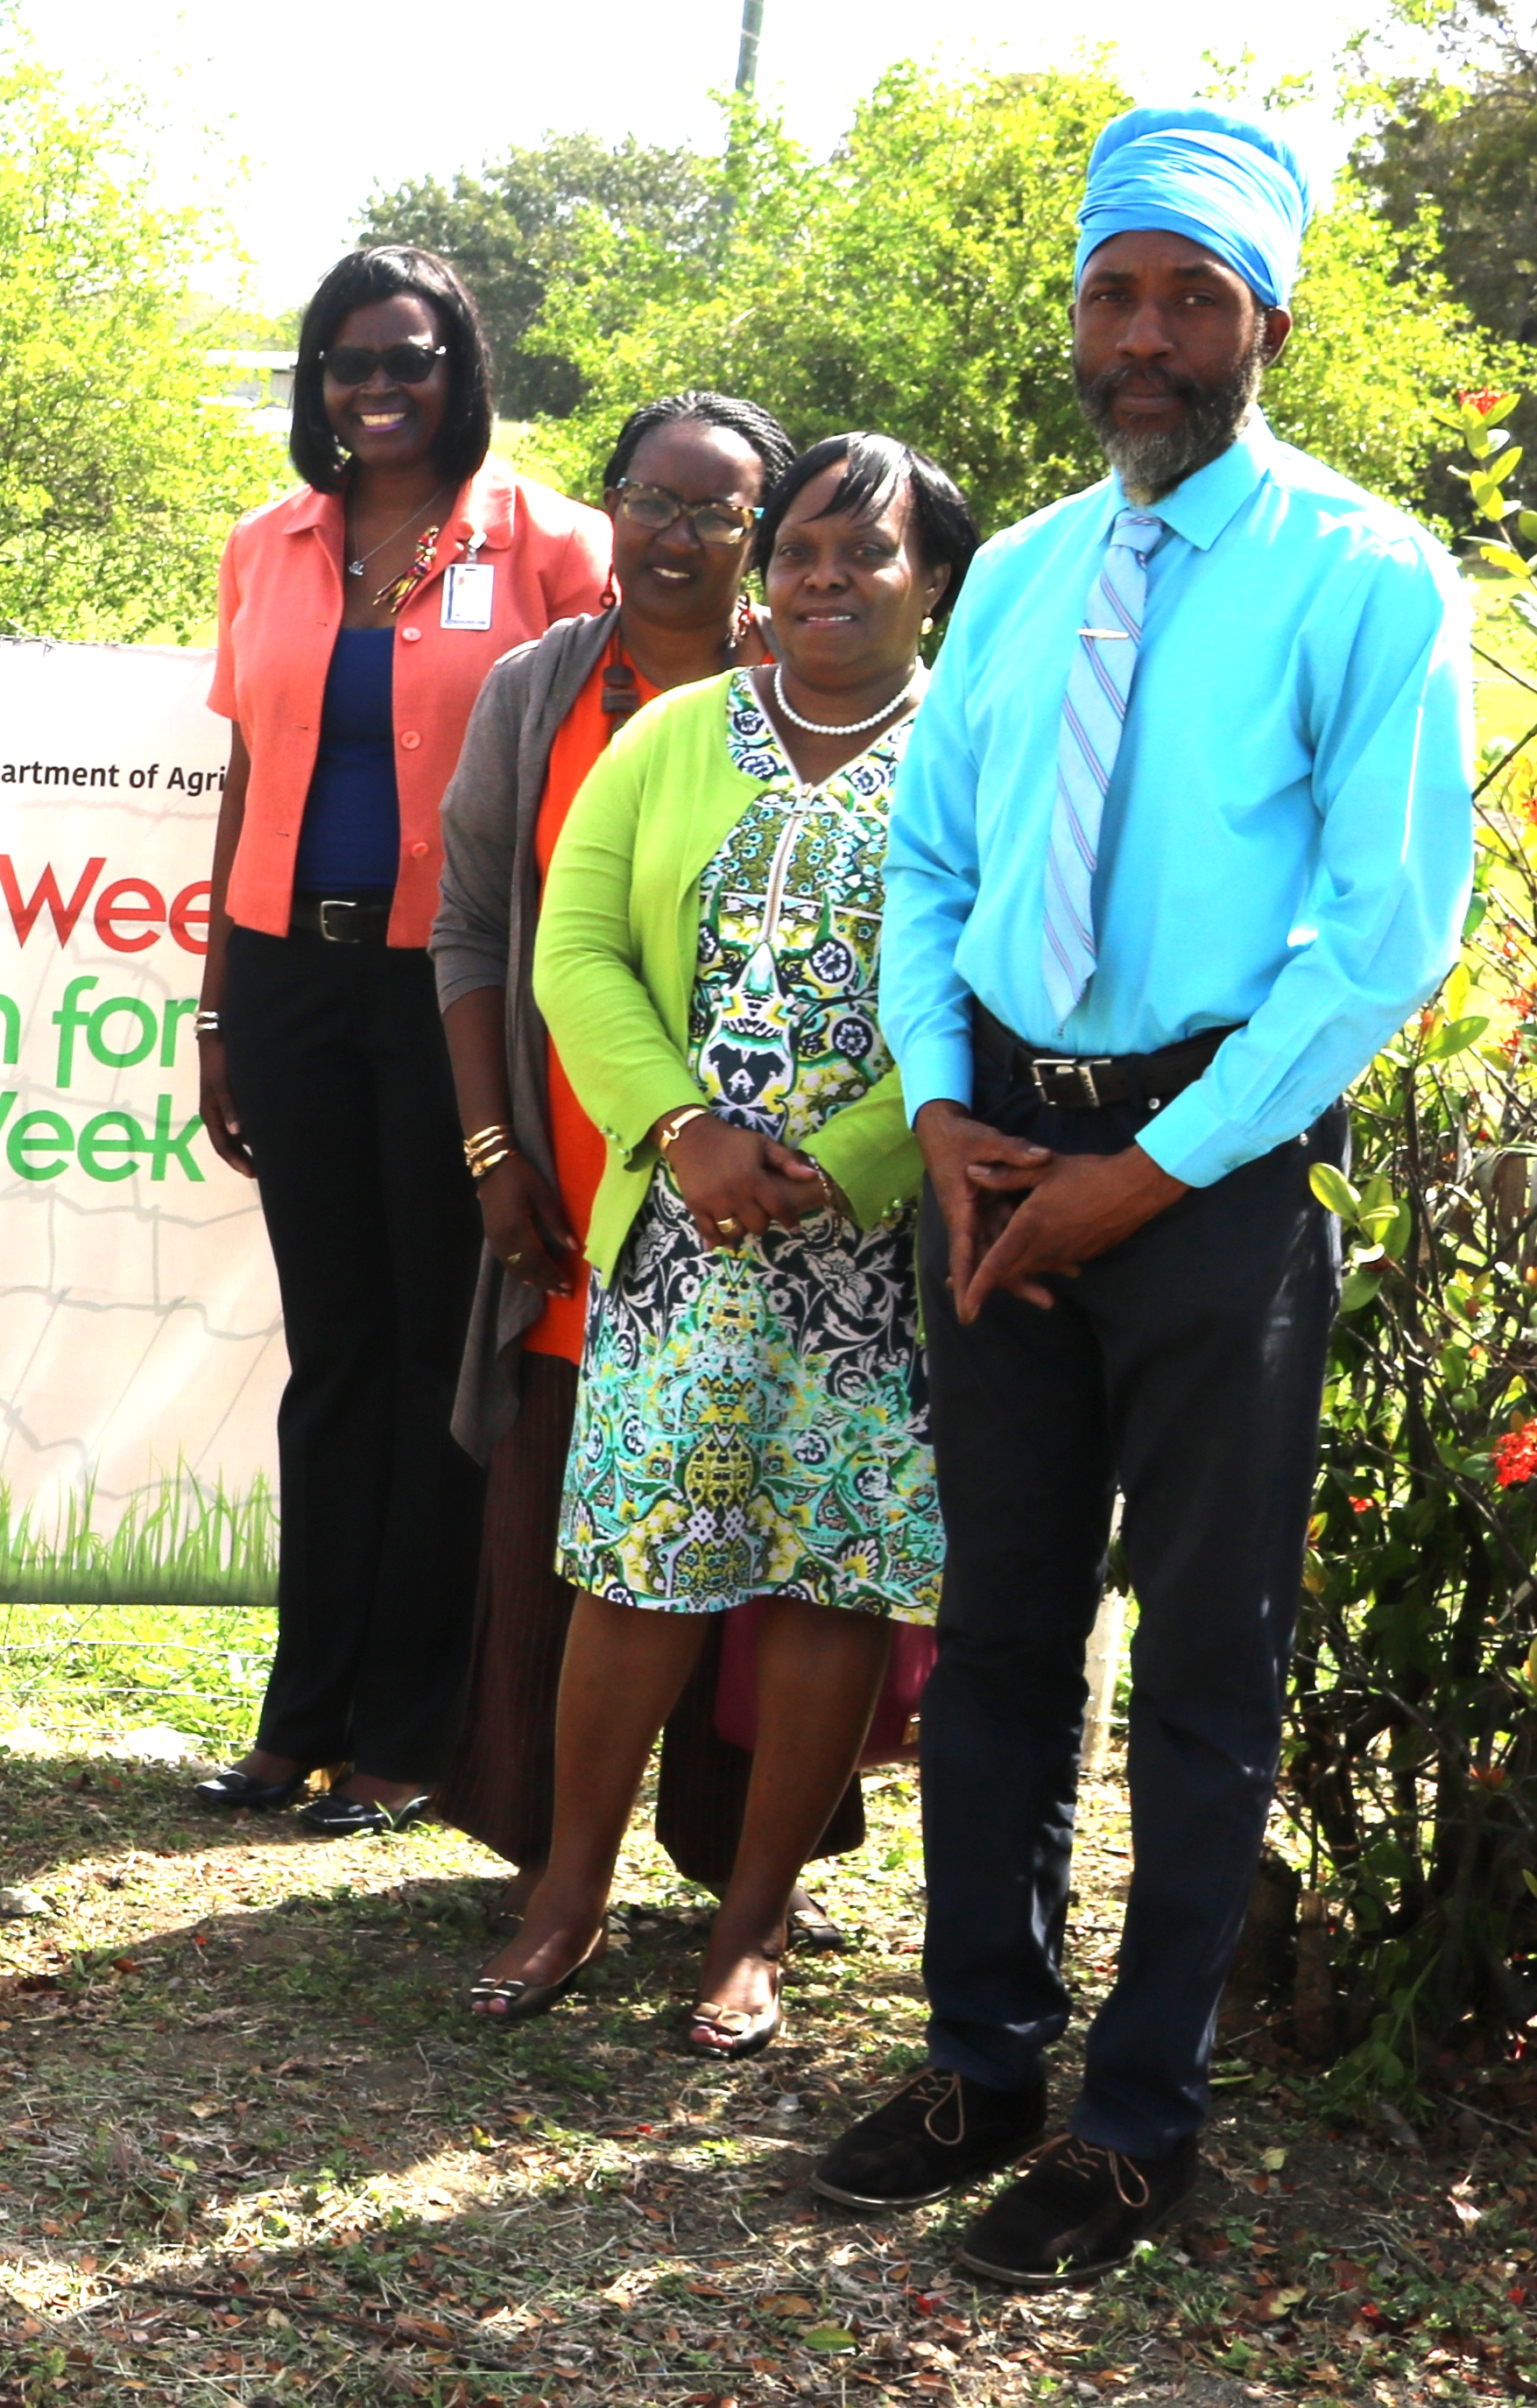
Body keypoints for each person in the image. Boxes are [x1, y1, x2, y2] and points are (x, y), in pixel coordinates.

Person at [814, 106, 1476, 2289]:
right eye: (1116, 290)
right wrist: (932, 1105)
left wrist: (1153, 1171)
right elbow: (929, 868)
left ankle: (1132, 2119)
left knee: (1202, 1652)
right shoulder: (1007, 575)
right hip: (989, 1138)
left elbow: (1382, 937)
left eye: (1193, 296)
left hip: (1205, 1166)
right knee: (996, 1624)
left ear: (1263, 319)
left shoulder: (1365, 574)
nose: (1146, 338)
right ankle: (978, 2059)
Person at [465, 433, 976, 2057]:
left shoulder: (976, 759)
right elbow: (574, 951)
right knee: (636, 1567)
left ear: (935, 585)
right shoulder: (678, 736)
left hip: (867, 1254)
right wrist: (680, 1131)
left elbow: (988, 991)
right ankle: (565, 1896)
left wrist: (836, 1165)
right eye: (805, 553)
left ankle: (747, 1933)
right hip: (680, 1232)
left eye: (866, 554)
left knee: (830, 1577)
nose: (825, 580)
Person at [189, 247, 611, 1834]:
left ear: (461, 368)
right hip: (296, 984)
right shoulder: (267, 543)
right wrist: (219, 1004)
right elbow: (245, 778)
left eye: (407, 358)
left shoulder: (558, 543)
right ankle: (297, 1715)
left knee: (449, 1358)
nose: (374, 388)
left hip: (461, 997)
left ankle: (410, 1732)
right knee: (333, 1357)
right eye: (344, 361)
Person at [428, 392, 835, 1898]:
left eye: (714, 512)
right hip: (571, 1179)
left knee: (748, 1511)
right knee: (566, 1524)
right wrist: (491, 1150)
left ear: (766, 537)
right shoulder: (540, 688)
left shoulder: (818, 697)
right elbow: (473, 929)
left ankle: (737, 1862)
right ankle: (546, 1850)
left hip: (762, 1209)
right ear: (608, 508)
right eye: (647, 501)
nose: (673, 536)